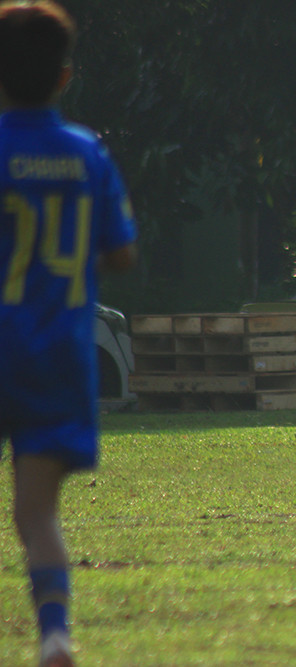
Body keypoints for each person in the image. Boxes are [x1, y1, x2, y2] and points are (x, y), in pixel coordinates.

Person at [0, 3, 138, 665]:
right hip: (58, 354)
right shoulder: (87, 152)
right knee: (37, 513)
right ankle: (54, 633)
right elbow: (122, 254)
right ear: (64, 76)